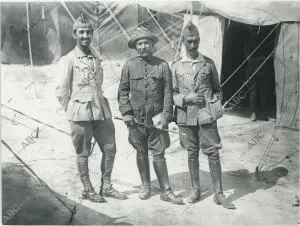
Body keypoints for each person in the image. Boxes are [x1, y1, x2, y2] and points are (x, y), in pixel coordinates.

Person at [55, 13, 127, 202]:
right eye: (81, 32)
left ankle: (107, 186)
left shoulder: (96, 58)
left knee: (110, 148)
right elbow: (62, 90)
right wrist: (72, 110)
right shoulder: (68, 59)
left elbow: (98, 84)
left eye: (88, 32)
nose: (85, 36)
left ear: (92, 34)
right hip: (80, 114)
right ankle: (87, 189)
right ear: (74, 35)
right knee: (83, 153)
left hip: (101, 111)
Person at [171, 21, 236, 209]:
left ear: (199, 40)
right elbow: (172, 94)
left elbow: (218, 89)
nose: (193, 45)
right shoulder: (175, 66)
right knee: (192, 153)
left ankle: (219, 194)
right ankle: (195, 190)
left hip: (206, 116)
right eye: (189, 42)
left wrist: (214, 107)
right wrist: (186, 98)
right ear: (182, 42)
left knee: (213, 153)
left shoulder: (208, 63)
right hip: (185, 117)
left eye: (196, 41)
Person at [118, 26, 183, 205]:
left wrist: (166, 116)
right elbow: (123, 92)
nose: (143, 46)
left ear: (152, 45)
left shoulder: (163, 66)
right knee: (140, 151)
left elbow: (168, 93)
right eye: (139, 43)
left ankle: (166, 191)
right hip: (136, 119)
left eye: (146, 42)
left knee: (159, 153)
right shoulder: (129, 65)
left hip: (157, 119)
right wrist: (126, 113)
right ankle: (146, 185)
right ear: (135, 46)